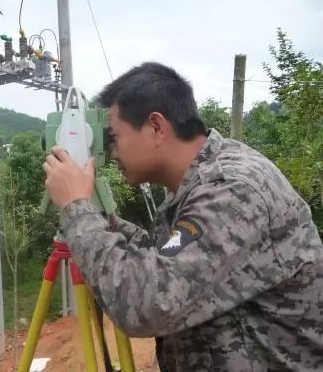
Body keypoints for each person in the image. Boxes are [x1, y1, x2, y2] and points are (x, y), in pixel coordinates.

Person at [42, 62, 323, 371]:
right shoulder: (197, 184)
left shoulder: (234, 190)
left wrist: (77, 211)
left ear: (156, 127)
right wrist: (97, 219)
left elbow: (144, 303)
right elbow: (166, 257)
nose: (111, 152)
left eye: (115, 136)